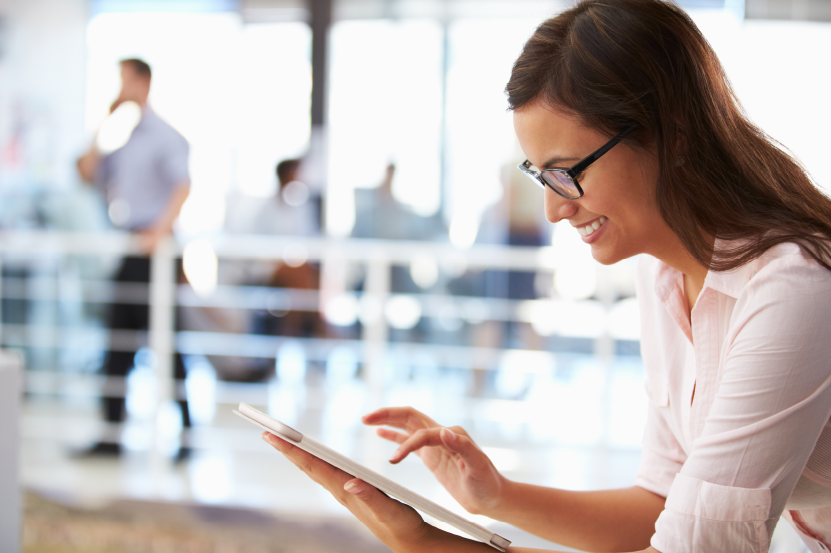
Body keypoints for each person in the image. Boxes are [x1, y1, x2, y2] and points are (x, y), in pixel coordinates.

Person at [260, 1, 831, 551]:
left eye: (567, 174)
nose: (556, 209)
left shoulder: (793, 286)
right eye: (540, 177)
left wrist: (432, 545)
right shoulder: (663, 273)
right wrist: (492, 498)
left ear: (673, 135)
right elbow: (663, 503)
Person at [76, 58, 192, 460]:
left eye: (124, 80)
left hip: (154, 252)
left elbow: (183, 185)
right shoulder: (122, 140)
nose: (119, 88)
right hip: (128, 247)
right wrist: (104, 122)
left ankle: (187, 436)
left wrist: (158, 232)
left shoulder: (164, 135)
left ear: (141, 81)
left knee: (168, 343)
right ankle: (110, 435)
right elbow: (87, 172)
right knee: (117, 343)